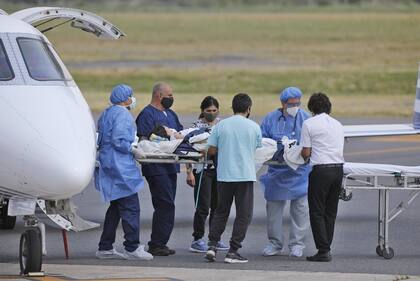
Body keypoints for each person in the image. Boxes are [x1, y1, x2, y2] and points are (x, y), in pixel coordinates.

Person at [94, 84, 153, 261]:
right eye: (131, 96)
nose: (132, 98)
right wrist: (133, 149)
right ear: (125, 98)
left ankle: (105, 247)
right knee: (131, 207)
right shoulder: (122, 115)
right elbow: (119, 140)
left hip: (109, 163)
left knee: (116, 208)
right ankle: (132, 247)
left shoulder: (107, 113)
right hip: (120, 167)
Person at [205, 93, 262, 264]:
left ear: (232, 107)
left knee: (220, 212)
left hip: (224, 175)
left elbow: (212, 150)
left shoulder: (221, 126)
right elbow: (258, 147)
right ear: (249, 108)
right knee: (244, 214)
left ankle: (212, 246)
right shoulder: (253, 126)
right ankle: (233, 250)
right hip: (244, 175)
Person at [260, 87, 311, 258]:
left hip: (300, 174)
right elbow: (262, 142)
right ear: (282, 103)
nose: (295, 106)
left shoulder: (306, 119)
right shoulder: (270, 119)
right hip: (277, 172)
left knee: (300, 211)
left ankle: (297, 244)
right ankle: (274, 243)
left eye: (298, 103)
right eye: (291, 104)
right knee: (273, 212)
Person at [135, 82, 183, 256]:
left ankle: (160, 242)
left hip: (171, 166)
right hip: (156, 166)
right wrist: (168, 135)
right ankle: (156, 243)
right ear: (158, 95)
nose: (171, 98)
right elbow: (146, 138)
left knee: (168, 204)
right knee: (164, 203)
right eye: (169, 95)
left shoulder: (171, 114)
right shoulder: (147, 114)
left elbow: (179, 135)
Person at [300, 92, 344, 262]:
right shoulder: (338, 124)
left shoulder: (309, 124)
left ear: (311, 108)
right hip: (338, 169)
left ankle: (323, 250)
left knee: (317, 211)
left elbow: (306, 152)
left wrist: (304, 158)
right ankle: (326, 247)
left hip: (321, 170)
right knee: (330, 211)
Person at [185, 96, 229, 253]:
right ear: (202, 111)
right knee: (203, 207)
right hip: (201, 170)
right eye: (208, 111)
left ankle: (214, 238)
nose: (212, 113)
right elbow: (187, 150)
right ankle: (197, 239)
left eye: (214, 110)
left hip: (219, 170)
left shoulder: (223, 125)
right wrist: (189, 173)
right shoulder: (195, 127)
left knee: (217, 207)